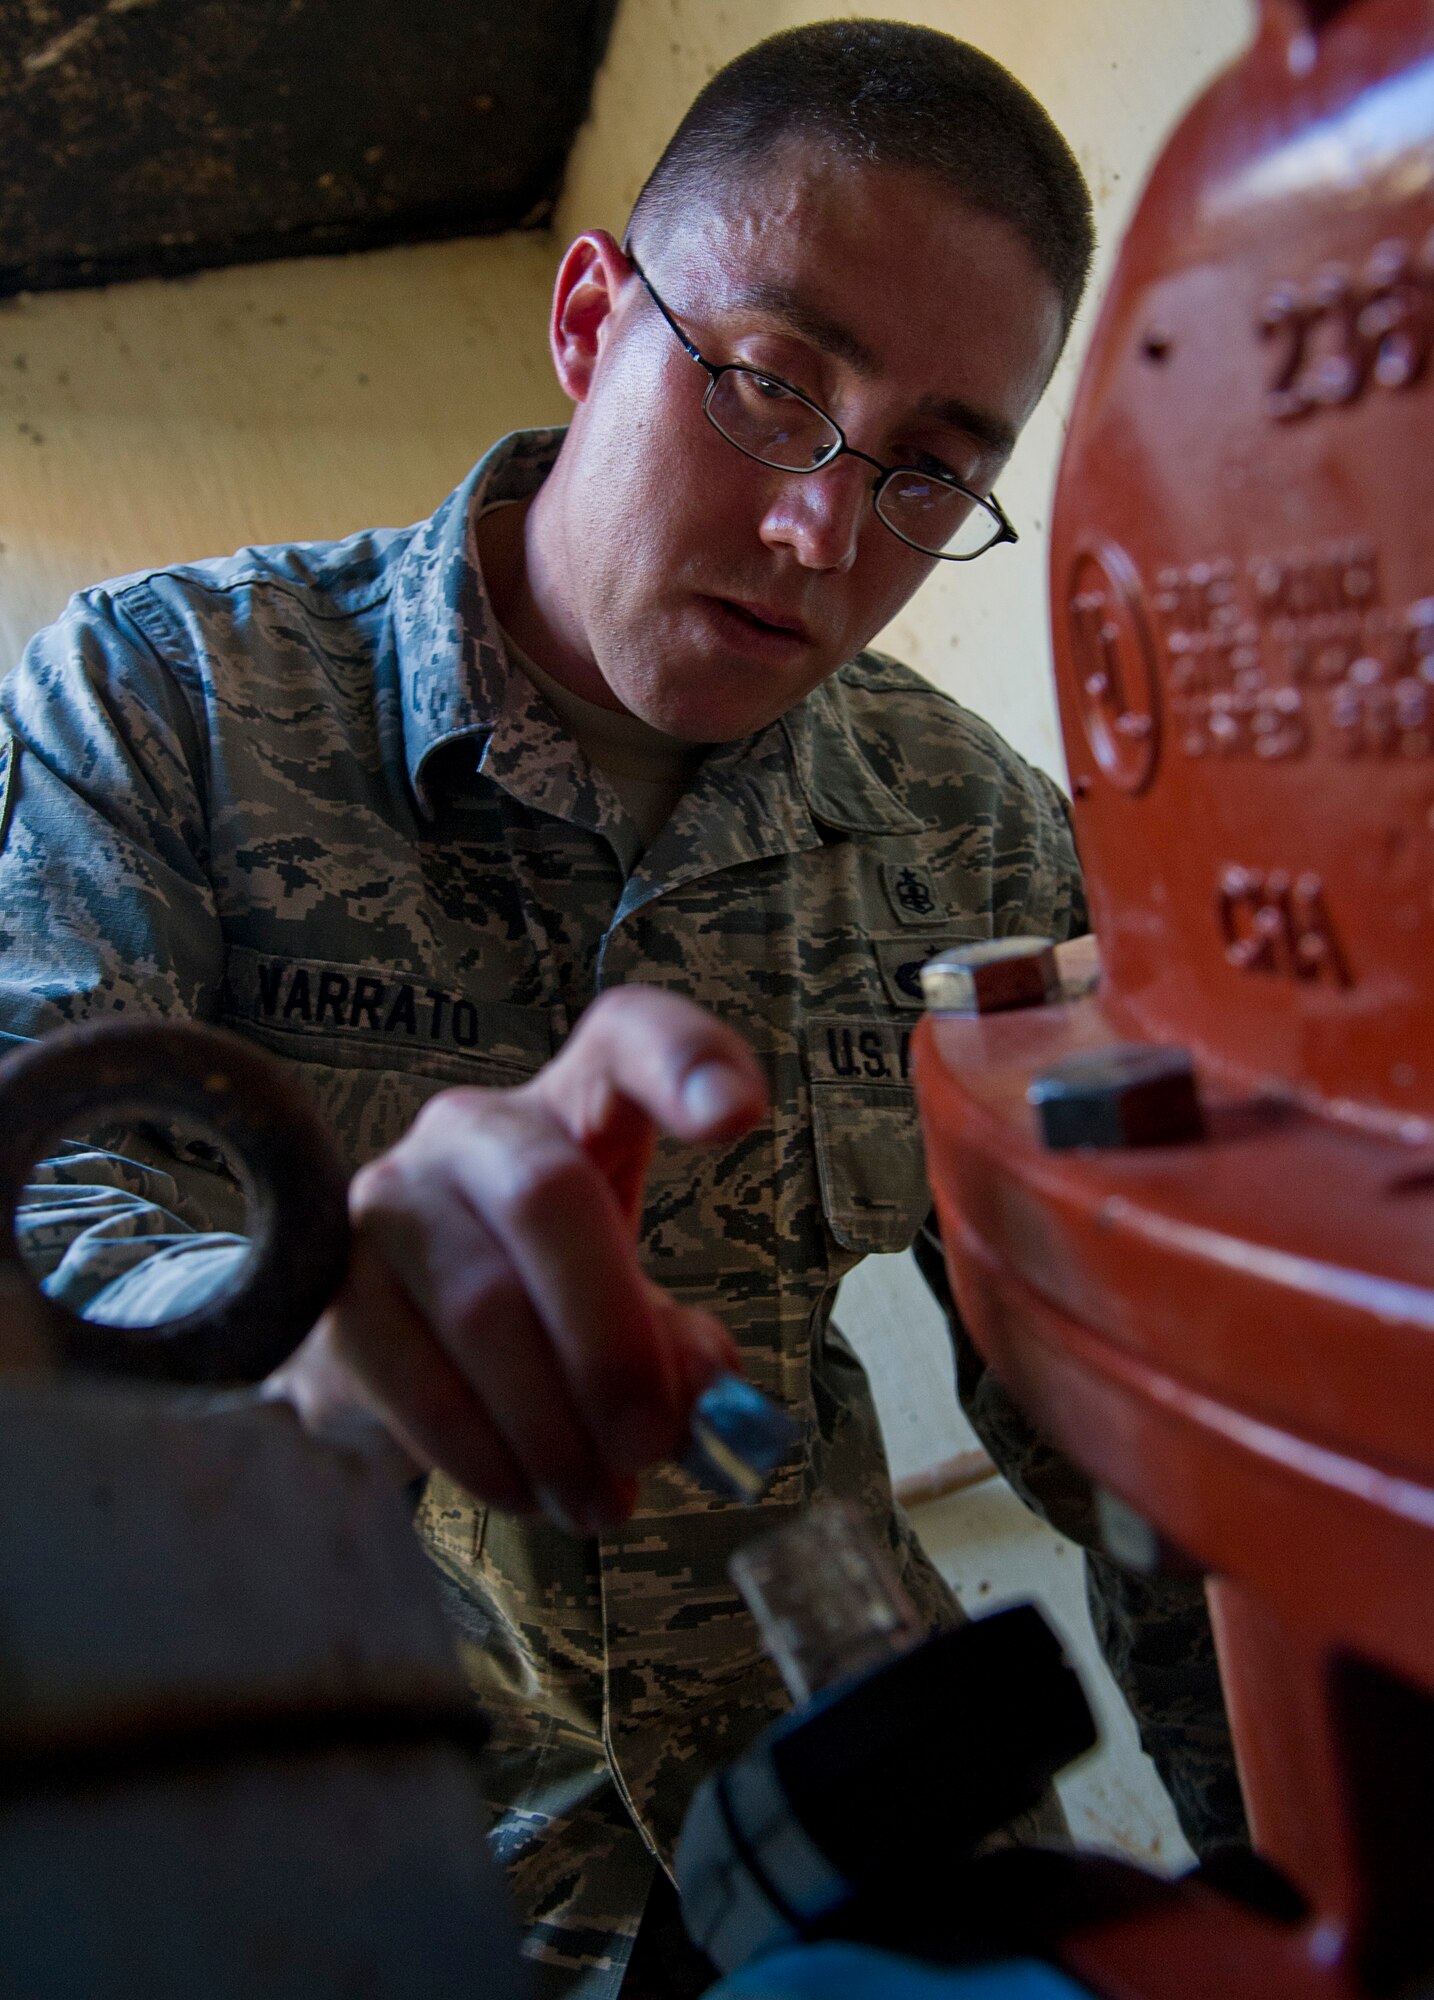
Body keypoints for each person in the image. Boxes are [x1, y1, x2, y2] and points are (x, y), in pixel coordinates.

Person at [0, 21, 1240, 1997]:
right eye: (769, 388)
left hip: (877, 1850)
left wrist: (1309, 1886)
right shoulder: (167, 698)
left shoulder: (979, 831)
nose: (825, 537)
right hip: (377, 1878)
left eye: (933, 472)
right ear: (590, 317)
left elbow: (1143, 1451)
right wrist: (307, 1306)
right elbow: (41, 1240)